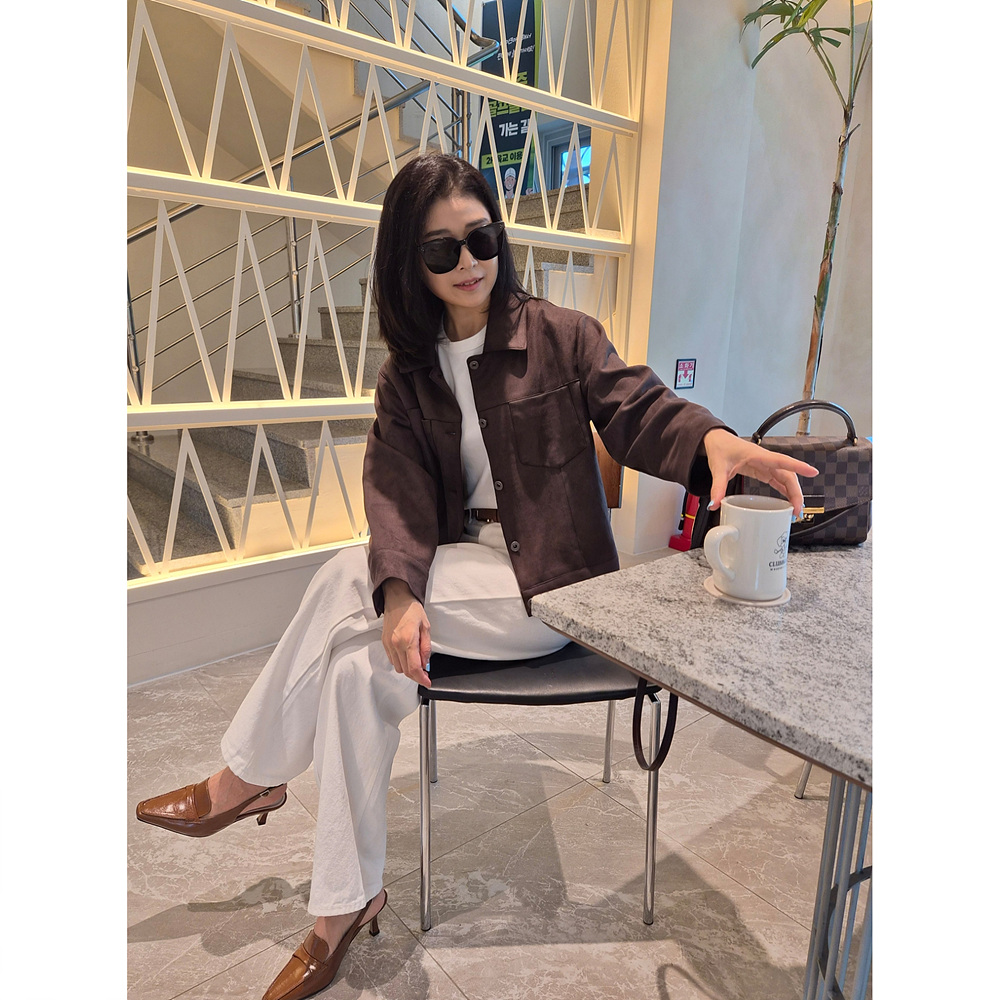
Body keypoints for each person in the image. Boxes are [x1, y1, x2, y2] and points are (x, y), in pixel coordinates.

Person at [135, 152, 818, 1000]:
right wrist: (400, 595)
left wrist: (713, 440)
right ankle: (343, 905)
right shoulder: (408, 374)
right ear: (409, 262)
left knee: (345, 577)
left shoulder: (562, 336)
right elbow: (394, 489)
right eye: (441, 249)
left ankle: (245, 779)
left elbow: (639, 408)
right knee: (356, 671)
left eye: (481, 238)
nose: (468, 262)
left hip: (550, 586)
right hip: (465, 574)